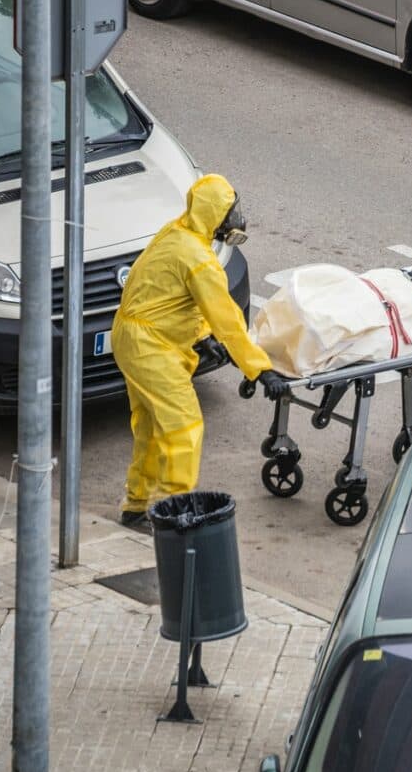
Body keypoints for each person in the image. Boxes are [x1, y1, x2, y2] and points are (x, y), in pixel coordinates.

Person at [112, 174, 286, 525]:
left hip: (132, 337)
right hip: (152, 347)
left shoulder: (177, 232)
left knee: (149, 428)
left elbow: (172, 297)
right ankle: (175, 513)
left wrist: (203, 335)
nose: (234, 219)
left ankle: (136, 505)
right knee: (183, 426)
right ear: (214, 216)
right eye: (229, 212)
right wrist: (260, 369)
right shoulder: (200, 259)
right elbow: (228, 320)